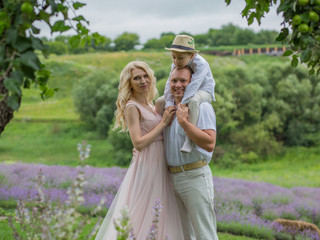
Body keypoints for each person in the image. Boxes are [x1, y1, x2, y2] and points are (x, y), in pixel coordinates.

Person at [95, 61, 184, 240]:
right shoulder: (131, 107)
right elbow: (138, 143)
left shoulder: (152, 105)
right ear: (129, 83)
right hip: (149, 164)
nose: (143, 81)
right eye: (137, 78)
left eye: (145, 76)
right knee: (148, 209)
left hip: (163, 162)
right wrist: (163, 123)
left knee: (164, 209)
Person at [163, 67, 219, 240]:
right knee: (184, 236)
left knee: (205, 235)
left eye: (183, 81)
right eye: (174, 81)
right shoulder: (168, 109)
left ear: (192, 83)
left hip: (194, 177)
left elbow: (210, 143)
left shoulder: (203, 107)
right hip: (172, 179)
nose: (178, 85)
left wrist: (184, 123)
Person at [156, 34, 216, 153]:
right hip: (189, 90)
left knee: (193, 101)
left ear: (192, 55)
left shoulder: (201, 64)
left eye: (180, 58)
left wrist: (182, 104)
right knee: (159, 101)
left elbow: (193, 85)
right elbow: (169, 85)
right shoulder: (176, 64)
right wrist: (168, 104)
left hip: (204, 90)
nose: (176, 61)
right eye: (173, 57)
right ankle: (159, 135)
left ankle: (189, 139)